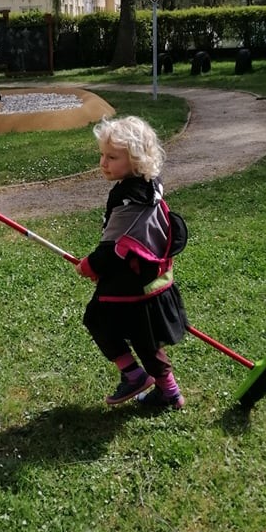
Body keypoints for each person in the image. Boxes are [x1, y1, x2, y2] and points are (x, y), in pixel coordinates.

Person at [76, 115, 188, 409]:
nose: (103, 163)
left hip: (131, 284)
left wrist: (90, 265)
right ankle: (170, 393)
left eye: (112, 157)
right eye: (102, 155)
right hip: (152, 276)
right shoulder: (149, 185)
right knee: (146, 341)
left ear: (136, 159)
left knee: (97, 319)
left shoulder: (130, 198)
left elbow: (114, 248)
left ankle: (135, 376)